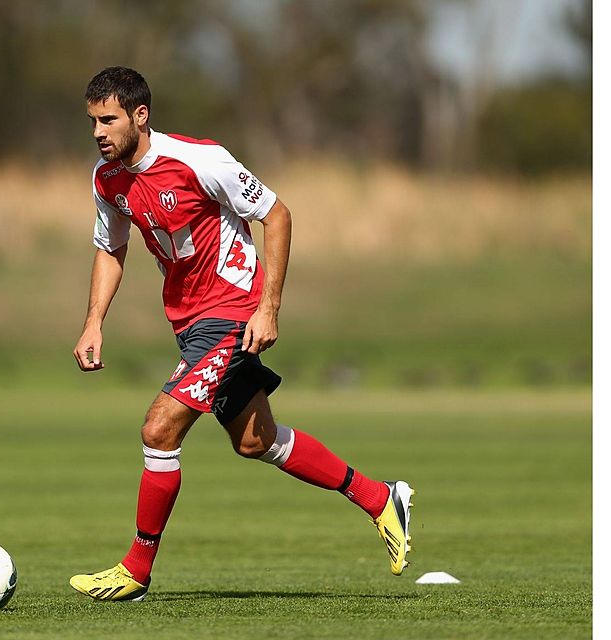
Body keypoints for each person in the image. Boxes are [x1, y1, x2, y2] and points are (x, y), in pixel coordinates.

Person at [69, 66, 413, 602]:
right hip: (189, 324)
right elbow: (111, 248)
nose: (98, 131)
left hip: (233, 314)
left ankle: (135, 571)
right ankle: (380, 498)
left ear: (141, 115)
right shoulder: (106, 179)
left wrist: (268, 307)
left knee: (159, 429)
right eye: (92, 121)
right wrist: (93, 321)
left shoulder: (200, 160)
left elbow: (277, 215)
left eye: (108, 119)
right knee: (255, 441)